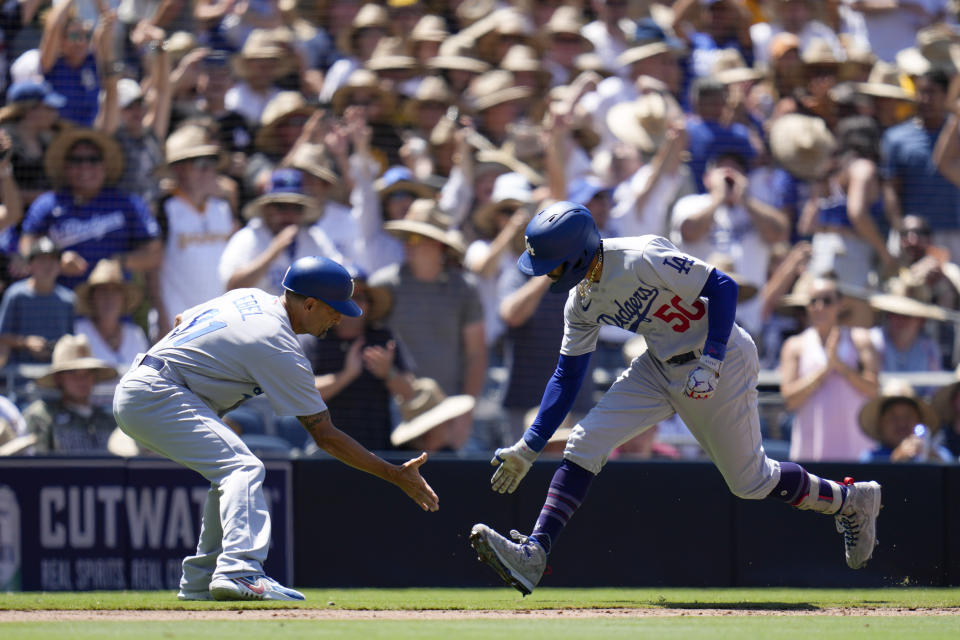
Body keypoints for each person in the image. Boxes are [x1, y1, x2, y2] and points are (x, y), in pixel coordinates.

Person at [468, 202, 883, 596]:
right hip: (659, 363)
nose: (544, 273)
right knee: (583, 442)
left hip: (719, 357)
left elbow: (723, 286)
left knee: (751, 481)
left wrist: (713, 360)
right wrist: (530, 445)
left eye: (550, 263)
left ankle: (850, 501)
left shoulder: (640, 255)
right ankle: (535, 553)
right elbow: (567, 375)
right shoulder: (581, 303)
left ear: (575, 255)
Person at [113, 255, 438, 602]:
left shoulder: (248, 296)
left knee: (227, 473)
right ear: (310, 304)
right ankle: (241, 570)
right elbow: (325, 435)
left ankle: (200, 580)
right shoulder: (278, 343)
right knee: (243, 466)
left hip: (148, 384)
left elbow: (183, 320)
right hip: (159, 393)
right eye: (334, 309)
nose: (339, 317)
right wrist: (392, 473)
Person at [778, 276, 879, 462]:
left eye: (827, 301)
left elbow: (873, 390)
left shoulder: (861, 340)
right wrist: (824, 371)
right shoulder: (794, 345)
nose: (819, 307)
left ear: (840, 304)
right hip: (811, 449)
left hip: (856, 447)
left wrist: (841, 367)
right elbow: (789, 399)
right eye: (813, 301)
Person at [25, 334, 121, 454]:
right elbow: (36, 466)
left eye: (87, 373)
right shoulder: (43, 416)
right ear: (58, 379)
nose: (81, 380)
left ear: (94, 377)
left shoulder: (111, 421)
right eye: (72, 373)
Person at [0, 237, 74, 365]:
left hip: (57, 376)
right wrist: (26, 342)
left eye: (53, 260)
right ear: (30, 265)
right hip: (20, 378)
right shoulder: (16, 294)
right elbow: (2, 336)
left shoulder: (68, 299)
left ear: (59, 265)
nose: (47, 265)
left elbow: (71, 339)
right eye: (41, 260)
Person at [859, 379, 953, 464]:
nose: (902, 423)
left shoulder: (941, 456)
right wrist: (895, 460)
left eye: (908, 416)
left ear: (919, 420)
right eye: (893, 417)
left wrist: (933, 461)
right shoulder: (870, 459)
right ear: (880, 423)